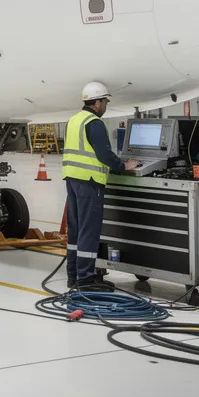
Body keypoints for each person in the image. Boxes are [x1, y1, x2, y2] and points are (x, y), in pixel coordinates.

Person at [60, 81, 139, 291]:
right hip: (89, 182)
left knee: (75, 230)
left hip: (72, 180)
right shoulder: (94, 123)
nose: (105, 106)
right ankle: (86, 279)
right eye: (105, 101)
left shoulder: (73, 120)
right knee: (89, 230)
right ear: (97, 102)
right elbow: (104, 154)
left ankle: (73, 276)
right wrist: (123, 166)